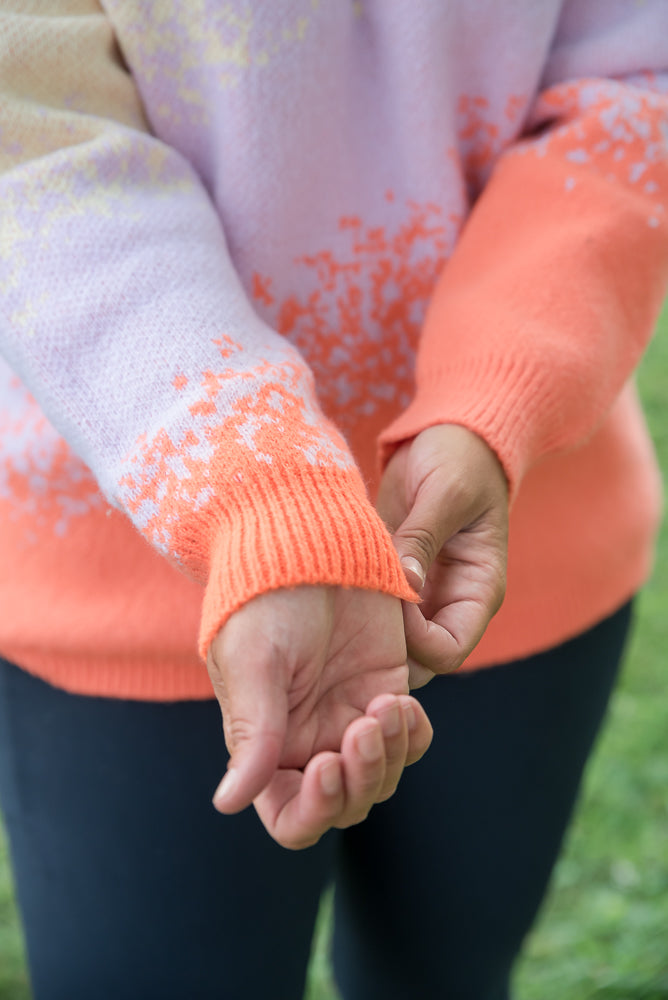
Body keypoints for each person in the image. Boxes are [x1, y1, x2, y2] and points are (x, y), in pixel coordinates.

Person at [0, 1, 666, 998]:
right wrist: (257, 486)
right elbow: (31, 131)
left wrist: (493, 396)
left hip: (515, 544)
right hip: (126, 575)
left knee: (445, 975)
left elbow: (638, 79)